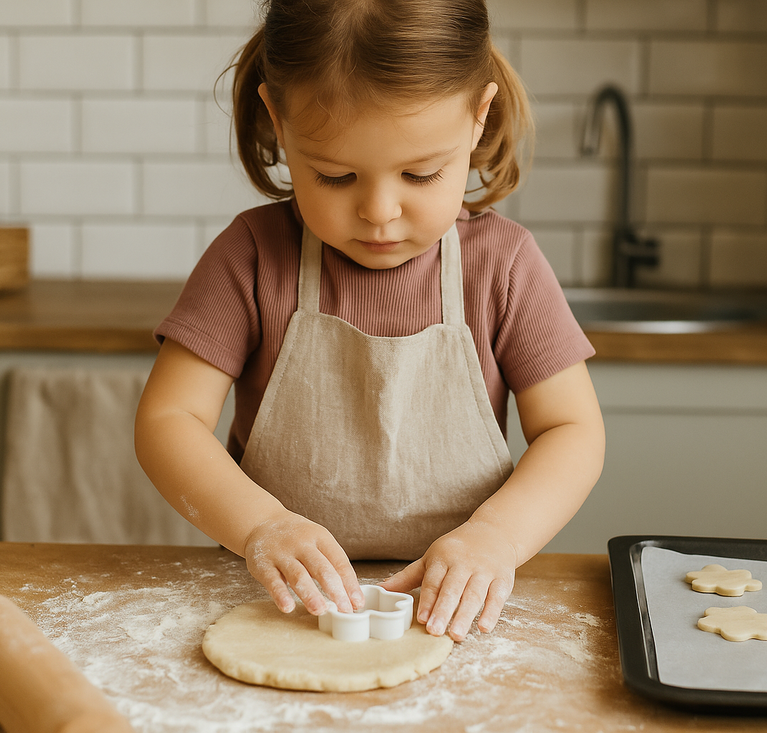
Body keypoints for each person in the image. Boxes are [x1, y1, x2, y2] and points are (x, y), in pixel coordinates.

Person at [135, 0, 605, 642]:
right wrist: (260, 526)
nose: (380, 212)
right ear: (278, 120)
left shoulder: (504, 265)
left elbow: (572, 430)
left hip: (458, 609)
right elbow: (169, 420)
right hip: (282, 605)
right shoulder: (250, 257)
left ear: (479, 116)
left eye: (421, 173)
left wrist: (495, 540)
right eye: (335, 176)